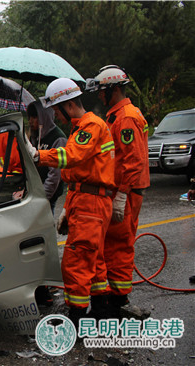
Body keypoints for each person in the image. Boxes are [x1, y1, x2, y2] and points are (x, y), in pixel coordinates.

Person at [33, 78, 115, 327]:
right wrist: (68, 208)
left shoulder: (90, 126)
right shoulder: (82, 128)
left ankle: (77, 320)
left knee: (76, 261)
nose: (56, 116)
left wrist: (39, 155)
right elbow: (77, 174)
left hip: (91, 203)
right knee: (95, 260)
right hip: (87, 199)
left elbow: (72, 156)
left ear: (68, 105)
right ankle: (101, 311)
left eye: (57, 110)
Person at [85, 65, 150, 318]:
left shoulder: (126, 118)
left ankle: (119, 301)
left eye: (103, 91)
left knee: (119, 246)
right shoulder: (118, 115)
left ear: (113, 89)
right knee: (111, 246)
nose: (100, 96)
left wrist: (121, 195)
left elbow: (132, 161)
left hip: (127, 192)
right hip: (121, 190)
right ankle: (114, 299)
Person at [27, 101, 67, 214]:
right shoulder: (34, 136)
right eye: (29, 117)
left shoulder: (58, 138)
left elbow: (55, 175)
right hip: (34, 193)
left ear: (44, 116)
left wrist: (42, 199)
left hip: (47, 197)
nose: (30, 121)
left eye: (34, 117)